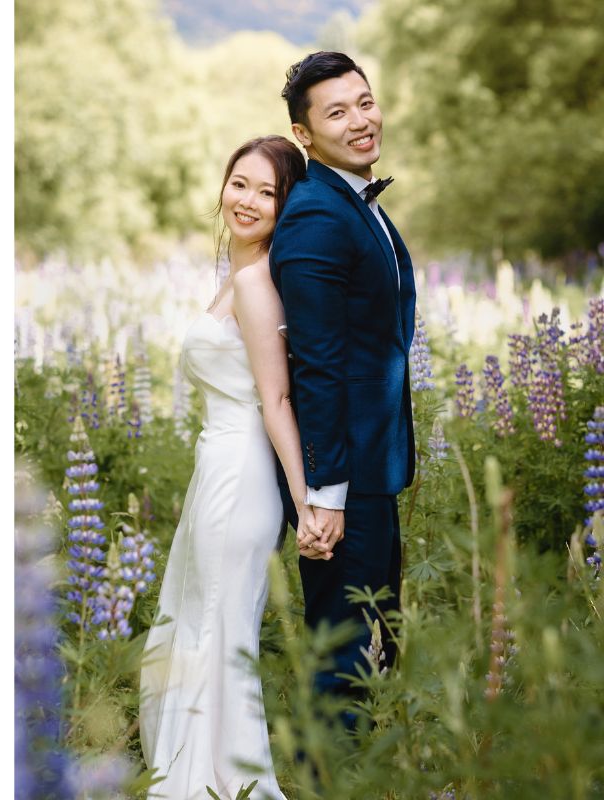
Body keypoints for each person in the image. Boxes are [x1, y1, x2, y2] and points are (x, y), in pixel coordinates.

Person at [140, 135, 312, 800]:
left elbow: (276, 399)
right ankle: (198, 780)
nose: (247, 200)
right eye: (239, 183)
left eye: (267, 192)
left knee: (217, 634)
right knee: (197, 630)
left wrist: (305, 502)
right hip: (214, 473)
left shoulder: (256, 282)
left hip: (240, 478)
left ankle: (220, 787)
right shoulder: (234, 279)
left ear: (285, 207)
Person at [270, 51, 416, 724]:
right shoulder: (316, 217)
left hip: (370, 470)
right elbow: (317, 365)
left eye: (365, 102)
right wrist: (323, 497)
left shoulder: (355, 206)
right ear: (304, 134)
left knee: (376, 651)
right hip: (343, 483)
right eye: (337, 112)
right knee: (345, 664)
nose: (361, 121)